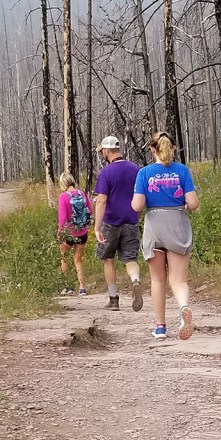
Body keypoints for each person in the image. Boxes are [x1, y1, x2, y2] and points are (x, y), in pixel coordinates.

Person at [132, 132, 199, 341]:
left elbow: (137, 205)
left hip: (154, 226)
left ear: (153, 149)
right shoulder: (182, 171)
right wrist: (185, 204)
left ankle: (160, 328)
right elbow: (194, 203)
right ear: (172, 147)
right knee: (178, 280)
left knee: (157, 279)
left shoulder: (144, 173)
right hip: (177, 223)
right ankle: (184, 309)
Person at [93, 135, 143, 312]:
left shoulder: (106, 173)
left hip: (111, 222)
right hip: (131, 220)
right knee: (130, 258)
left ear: (106, 151)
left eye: (103, 152)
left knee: (108, 258)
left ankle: (113, 299)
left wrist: (97, 227)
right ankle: (135, 280)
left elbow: (101, 201)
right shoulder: (135, 170)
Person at [57, 173, 93, 296]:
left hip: (69, 233)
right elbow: (90, 211)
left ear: (63, 184)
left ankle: (68, 287)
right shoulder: (82, 193)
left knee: (64, 257)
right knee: (78, 260)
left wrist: (60, 233)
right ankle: (82, 288)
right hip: (82, 232)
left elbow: (62, 218)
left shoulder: (63, 197)